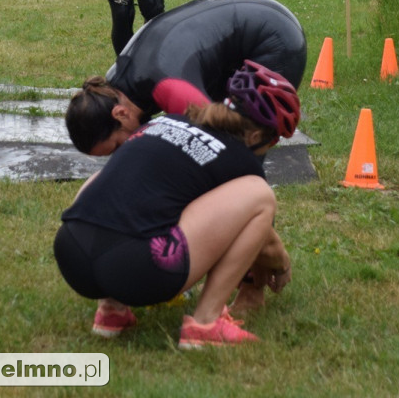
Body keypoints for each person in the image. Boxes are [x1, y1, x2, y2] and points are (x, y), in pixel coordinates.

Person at [55, 61, 298, 348]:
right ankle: (206, 324)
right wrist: (281, 265)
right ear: (257, 136)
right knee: (260, 196)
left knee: (116, 180)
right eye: (275, 140)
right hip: (136, 269)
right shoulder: (240, 161)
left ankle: (111, 310)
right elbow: (266, 244)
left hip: (71, 253)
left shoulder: (165, 121)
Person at [65, 0, 306, 155]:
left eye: (118, 145)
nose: (123, 152)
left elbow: (216, 145)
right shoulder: (114, 84)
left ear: (120, 113)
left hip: (274, 38)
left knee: (241, 146)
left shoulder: (168, 87)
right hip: (235, 27)